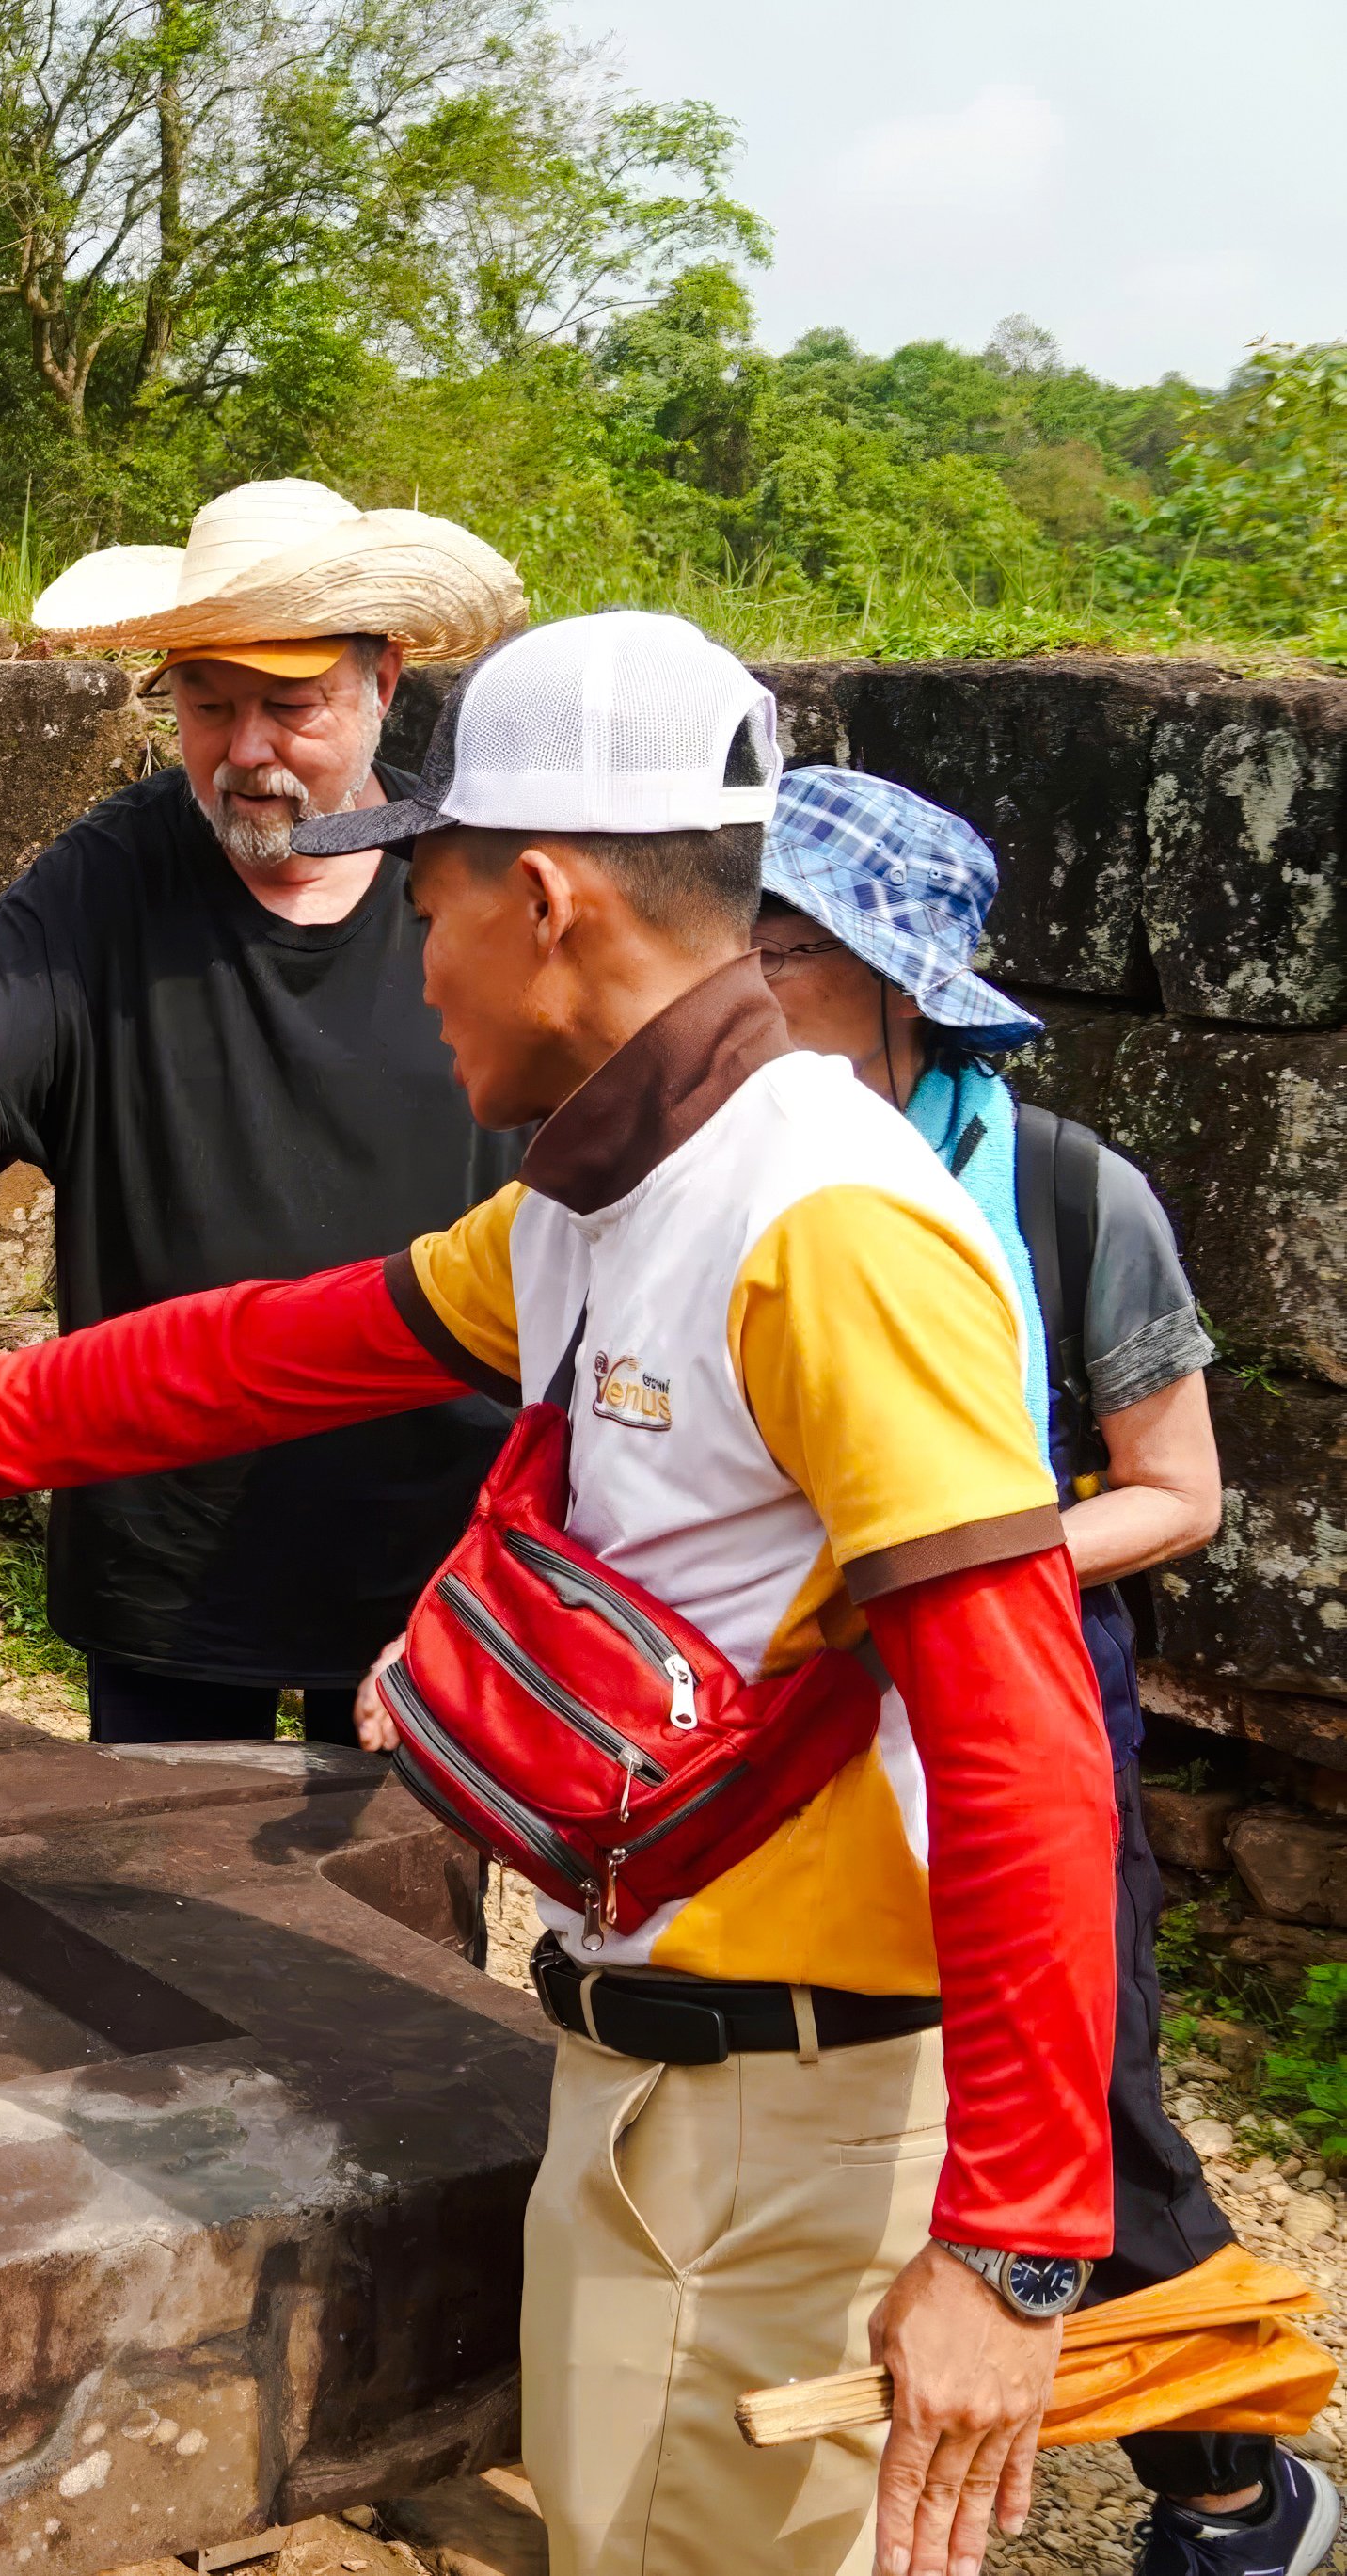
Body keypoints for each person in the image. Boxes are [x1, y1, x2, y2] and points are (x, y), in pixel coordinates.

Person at [0, 612, 1114, 2576]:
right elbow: (273, 1346)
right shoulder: (609, 1194)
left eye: (421, 905)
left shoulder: (824, 1227)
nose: (405, 965)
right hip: (649, 2035)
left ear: (540, 896)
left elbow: (1023, 1736)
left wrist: (1011, 2252)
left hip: (798, 2091)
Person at [0, 480, 531, 1748]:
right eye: (207, 704)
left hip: (428, 1549)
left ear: (383, 680)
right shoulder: (116, 873)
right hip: (166, 1539)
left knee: (404, 1927)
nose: (246, 750)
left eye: (290, 707)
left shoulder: (471, 889)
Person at [750, 772, 1291, 2576]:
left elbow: (1179, 1492)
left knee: (1086, 2103)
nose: (740, 988)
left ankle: (1234, 2486)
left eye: (786, 950)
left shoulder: (1067, 1189)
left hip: (1018, 1689)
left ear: (901, 984)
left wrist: (947, 1553)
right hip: (810, 1706)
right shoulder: (727, 1172)